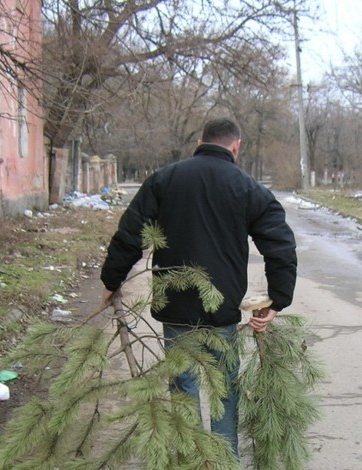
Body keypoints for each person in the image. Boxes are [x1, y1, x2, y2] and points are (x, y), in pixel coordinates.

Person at [100, 117, 298, 456]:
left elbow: (130, 232)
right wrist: (277, 299)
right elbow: (280, 245)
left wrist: (111, 279)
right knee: (223, 391)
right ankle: (223, 461)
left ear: (199, 142)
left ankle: (189, 460)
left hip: (174, 308)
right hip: (222, 312)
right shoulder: (247, 187)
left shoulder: (165, 179)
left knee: (183, 387)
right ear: (236, 147)